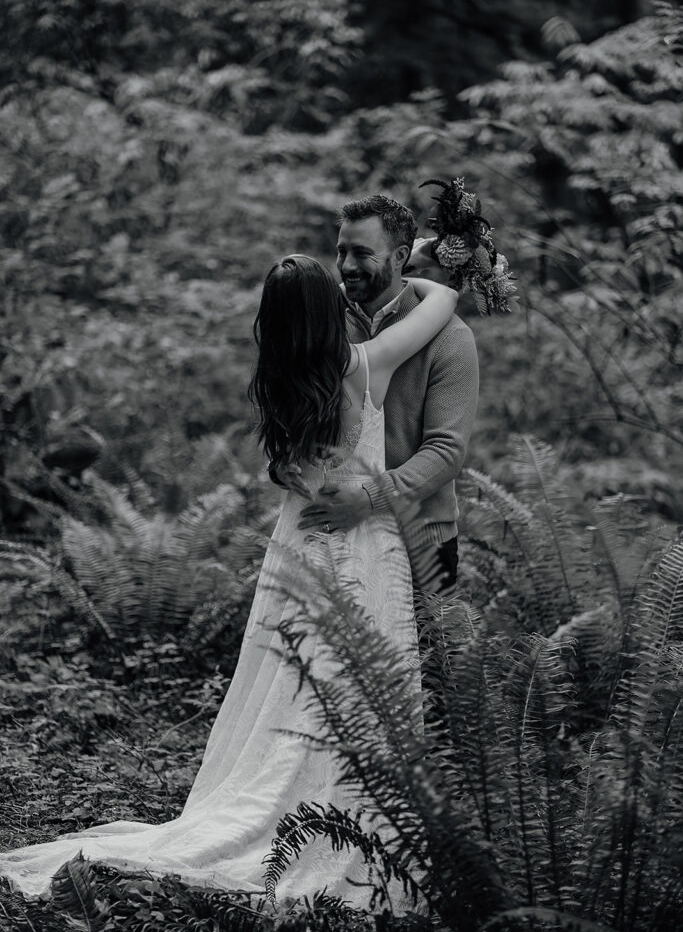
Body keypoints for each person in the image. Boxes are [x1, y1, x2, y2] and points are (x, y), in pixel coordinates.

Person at [0, 254, 458, 911]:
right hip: (359, 548)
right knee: (364, 684)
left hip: (299, 547)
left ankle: (298, 806)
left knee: (295, 687)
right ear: (330, 314)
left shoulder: (279, 380)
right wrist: (411, 267)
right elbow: (441, 299)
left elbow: (299, 475)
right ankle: (358, 826)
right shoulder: (365, 363)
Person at [276, 195, 479, 593]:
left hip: (419, 540)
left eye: (362, 253)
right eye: (341, 252)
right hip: (326, 536)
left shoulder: (451, 338)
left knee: (420, 654)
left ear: (401, 255)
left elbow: (445, 451)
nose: (348, 266)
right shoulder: (321, 323)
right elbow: (289, 409)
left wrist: (369, 499)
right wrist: (280, 461)